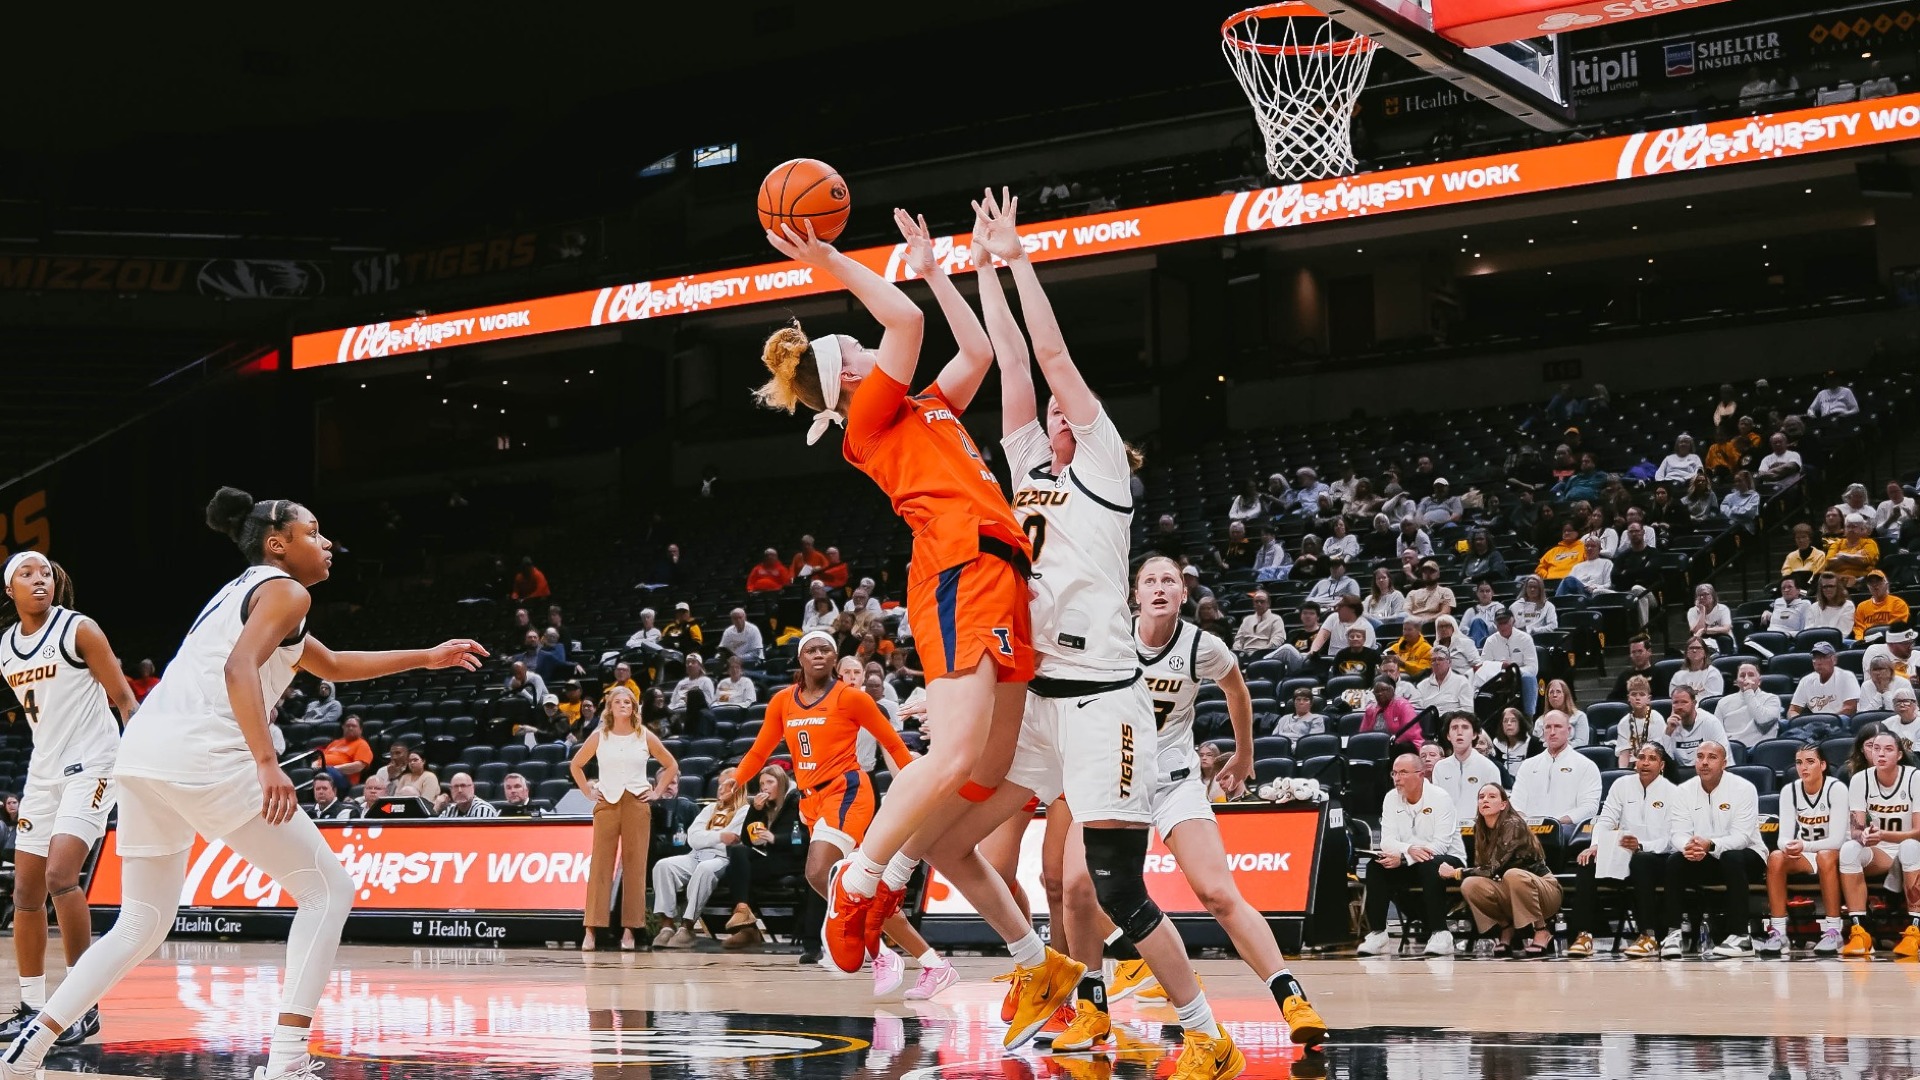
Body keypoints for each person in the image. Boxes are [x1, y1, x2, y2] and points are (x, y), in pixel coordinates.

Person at [922, 194, 1261, 1063]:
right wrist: (973, 270)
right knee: (947, 846)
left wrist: (1021, 259)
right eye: (1053, 415)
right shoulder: (1031, 461)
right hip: (1038, 703)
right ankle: (1042, 971)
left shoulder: (1104, 467)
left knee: (1110, 881)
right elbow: (1011, 369)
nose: (1055, 415)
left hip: (1106, 705)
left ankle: (1206, 1035)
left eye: (1070, 410)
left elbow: (1050, 353)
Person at [0, 489, 487, 1080]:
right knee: (328, 891)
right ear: (278, 543)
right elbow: (239, 669)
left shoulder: (241, 591)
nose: (327, 542)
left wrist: (427, 657)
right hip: (206, 756)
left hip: (143, 756)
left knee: (141, 921)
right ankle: (285, 1058)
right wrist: (266, 760)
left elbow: (329, 664)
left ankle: (32, 1041)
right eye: (314, 531)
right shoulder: (287, 590)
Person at [758, 199, 1049, 1031]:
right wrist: (828, 260)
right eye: (853, 342)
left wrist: (931, 270)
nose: (865, 340)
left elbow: (978, 350)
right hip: (957, 565)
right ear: (848, 372)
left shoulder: (924, 409)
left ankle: (1021, 956)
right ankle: (861, 878)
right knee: (954, 749)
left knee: (982, 770)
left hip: (998, 568)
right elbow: (904, 322)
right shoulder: (868, 417)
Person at [1104, 557, 1326, 1048]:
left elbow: (1238, 692)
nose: (1160, 588)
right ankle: (1117, 969)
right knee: (1071, 885)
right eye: (1149, 581)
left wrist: (1244, 755)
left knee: (1219, 895)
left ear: (1184, 594)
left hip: (1174, 780)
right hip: (1115, 780)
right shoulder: (1111, 636)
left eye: (1170, 581)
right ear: (1133, 595)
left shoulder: (1204, 646)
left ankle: (1291, 995)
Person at [731, 632, 943, 996]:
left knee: (819, 871)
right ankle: (931, 964)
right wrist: (735, 779)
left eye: (825, 649)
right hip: (810, 801)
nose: (818, 654)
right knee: (857, 888)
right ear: (800, 658)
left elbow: (892, 742)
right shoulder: (783, 701)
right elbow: (759, 750)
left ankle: (875, 953)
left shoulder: (852, 698)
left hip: (847, 791)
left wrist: (918, 787)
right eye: (811, 649)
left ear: (834, 658)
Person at [0, 554, 140, 1046]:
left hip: (94, 764)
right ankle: (32, 1006)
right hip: (43, 771)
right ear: (9, 590)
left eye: (47, 574)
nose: (40, 580)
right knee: (25, 894)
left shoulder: (78, 629)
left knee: (62, 877)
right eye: (27, 574)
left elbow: (124, 697)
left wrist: (139, 760)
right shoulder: (5, 647)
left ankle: (82, 1005)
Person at [569, 685, 678, 953]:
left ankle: (630, 930)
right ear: (610, 707)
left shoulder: (644, 736)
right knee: (600, 867)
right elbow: (576, 765)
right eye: (617, 701)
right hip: (607, 802)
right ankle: (591, 930)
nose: (622, 705)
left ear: (634, 707)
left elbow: (671, 764)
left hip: (636, 803)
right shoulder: (599, 735)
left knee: (635, 867)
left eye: (627, 702)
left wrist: (657, 792)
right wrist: (587, 790)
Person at [1567, 744, 1676, 959]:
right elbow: (1605, 820)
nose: (1644, 762)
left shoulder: (1674, 793)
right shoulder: (1621, 785)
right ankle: (1584, 935)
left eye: (1652, 758)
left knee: (1641, 861)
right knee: (1587, 862)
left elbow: (1673, 838)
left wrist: (1642, 846)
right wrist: (1597, 845)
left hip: (1658, 857)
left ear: (1661, 765)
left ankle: (1649, 936)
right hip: (1623, 854)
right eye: (1641, 757)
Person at [1663, 740, 1766, 959]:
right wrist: (1688, 847)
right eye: (1700, 757)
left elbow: (1742, 837)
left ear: (1724, 763)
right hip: (1705, 857)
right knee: (1674, 861)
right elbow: (1678, 833)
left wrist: (1710, 844)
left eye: (1712, 757)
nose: (1704, 762)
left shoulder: (1744, 788)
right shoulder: (1683, 791)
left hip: (1748, 858)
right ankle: (1673, 933)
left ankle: (1741, 937)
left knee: (1731, 856)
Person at [1357, 754, 1467, 957]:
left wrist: (1406, 856)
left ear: (1420, 774)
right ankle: (1378, 934)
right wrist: (1407, 851)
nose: (1397, 778)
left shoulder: (1440, 798)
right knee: (1376, 866)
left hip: (1448, 860)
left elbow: (1441, 845)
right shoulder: (1391, 798)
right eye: (1394, 773)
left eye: (1403, 773)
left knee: (1429, 865)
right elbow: (1386, 841)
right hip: (1408, 860)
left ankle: (1440, 934)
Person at [1438, 784, 1561, 957]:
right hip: (1509, 890)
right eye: (1481, 797)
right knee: (1470, 885)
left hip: (1544, 892)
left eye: (1492, 796)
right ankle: (1506, 927)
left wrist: (1456, 872)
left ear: (1503, 804)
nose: (1485, 800)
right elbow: (1484, 870)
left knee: (1513, 874)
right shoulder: (1480, 829)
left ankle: (1541, 930)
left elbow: (1492, 868)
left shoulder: (1513, 824)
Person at [1836, 726, 1920, 957]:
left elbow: (1918, 832)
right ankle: (1860, 932)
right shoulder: (1860, 779)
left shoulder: (1915, 778)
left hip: (1912, 846)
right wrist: (1863, 835)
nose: (1881, 754)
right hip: (1880, 851)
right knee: (1850, 849)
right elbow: (1856, 828)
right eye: (1876, 749)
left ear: (1900, 755)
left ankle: (1915, 932)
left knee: (1911, 847)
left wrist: (1884, 835)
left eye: (1888, 749)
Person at [1760, 744, 1848, 956]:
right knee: (1776, 857)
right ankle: (1778, 933)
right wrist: (1788, 847)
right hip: (1806, 853)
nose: (1803, 767)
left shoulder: (1836, 789)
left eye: (1810, 762)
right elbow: (1783, 838)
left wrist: (1804, 846)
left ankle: (1834, 930)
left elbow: (1836, 840)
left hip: (1837, 853)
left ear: (1823, 765)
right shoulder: (1789, 790)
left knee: (1826, 856)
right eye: (1799, 762)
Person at [651, 768, 750, 948]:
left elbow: (733, 840)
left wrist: (709, 838)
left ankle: (687, 927)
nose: (720, 789)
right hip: (695, 855)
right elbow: (692, 838)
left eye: (726, 785)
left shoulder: (745, 811)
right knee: (663, 866)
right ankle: (666, 926)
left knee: (704, 869)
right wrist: (719, 836)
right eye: (719, 785)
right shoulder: (710, 808)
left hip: (722, 859)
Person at [1510, 712, 1602, 824]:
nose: (1552, 732)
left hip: (1568, 833)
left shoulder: (1586, 766)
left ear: (1569, 730)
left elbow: (1589, 807)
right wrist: (1527, 824)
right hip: (1528, 833)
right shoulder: (1527, 765)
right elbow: (1515, 804)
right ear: (1543, 731)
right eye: (1548, 727)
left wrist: (1556, 824)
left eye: (1558, 726)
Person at [1431, 713, 1499, 823]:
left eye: (1465, 727)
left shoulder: (1488, 767)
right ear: (1448, 735)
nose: (1459, 732)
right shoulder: (1440, 767)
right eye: (1454, 728)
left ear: (1474, 734)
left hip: (1479, 832)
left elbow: (1495, 807)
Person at [1480, 608, 1539, 716]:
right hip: (1498, 676)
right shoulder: (1490, 641)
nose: (1502, 626)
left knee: (1529, 678)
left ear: (1513, 621)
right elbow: (1483, 666)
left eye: (1505, 622)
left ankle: (1528, 718)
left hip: (1520, 676)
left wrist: (1512, 670)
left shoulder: (1525, 638)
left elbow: (1532, 668)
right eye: (1499, 623)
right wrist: (1499, 667)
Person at [1659, 687, 1727, 773]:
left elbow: (1722, 757)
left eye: (1684, 702)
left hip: (1708, 773)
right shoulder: (1671, 726)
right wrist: (1668, 733)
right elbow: (1666, 763)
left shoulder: (1710, 722)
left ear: (1694, 703)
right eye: (1676, 702)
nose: (1679, 707)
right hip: (1681, 778)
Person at [1717, 662, 1783, 748]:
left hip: (1760, 750)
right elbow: (1716, 733)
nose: (1746, 678)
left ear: (1759, 681)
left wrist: (1748, 692)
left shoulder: (1772, 699)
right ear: (1736, 682)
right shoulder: (1723, 702)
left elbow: (1763, 721)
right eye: (1742, 675)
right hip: (1732, 749)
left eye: (1751, 675)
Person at [1790, 642, 1861, 718]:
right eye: (1815, 658)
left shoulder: (1847, 676)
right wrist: (1797, 720)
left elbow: (1850, 708)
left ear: (1834, 659)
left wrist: (1826, 720)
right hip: (1815, 723)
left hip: (1839, 721)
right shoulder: (1806, 681)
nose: (1818, 662)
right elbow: (1793, 710)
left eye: (1823, 657)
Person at [1614, 675, 1665, 768]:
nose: (1637, 698)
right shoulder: (1624, 722)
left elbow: (1657, 751)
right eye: (1634, 694)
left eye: (1642, 694)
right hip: (1632, 766)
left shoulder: (1657, 718)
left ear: (1648, 699)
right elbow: (1624, 754)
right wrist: (1622, 773)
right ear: (1628, 698)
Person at [1360, 677, 1422, 748]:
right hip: (1376, 746)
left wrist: (1389, 744)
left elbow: (1409, 734)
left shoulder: (1403, 706)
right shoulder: (1370, 709)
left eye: (1384, 689)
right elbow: (1363, 734)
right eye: (1376, 691)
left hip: (1402, 746)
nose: (1380, 693)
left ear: (1393, 690)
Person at [1413, 649, 1474, 720]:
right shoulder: (1421, 685)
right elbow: (1417, 710)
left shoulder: (1462, 682)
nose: (1437, 663)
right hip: (1429, 722)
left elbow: (1468, 710)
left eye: (1440, 659)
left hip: (1453, 722)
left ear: (1449, 662)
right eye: (1433, 660)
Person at [313, 714, 372, 783]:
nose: (350, 728)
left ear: (360, 730)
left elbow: (358, 766)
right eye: (348, 726)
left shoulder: (362, 744)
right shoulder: (335, 742)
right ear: (343, 727)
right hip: (322, 772)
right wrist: (314, 765)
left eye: (354, 726)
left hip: (344, 779)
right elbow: (320, 759)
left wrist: (332, 769)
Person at [1230, 590, 1285, 664]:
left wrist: (1260, 652)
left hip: (1265, 653)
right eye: (1256, 601)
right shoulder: (1247, 619)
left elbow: (1277, 640)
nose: (1259, 604)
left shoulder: (1276, 619)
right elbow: (1239, 640)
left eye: (1262, 601)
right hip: (1244, 653)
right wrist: (1238, 651)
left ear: (1268, 604)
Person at [1854, 570, 1909, 642]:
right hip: (1867, 642)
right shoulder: (1861, 607)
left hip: (1891, 641)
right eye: (1871, 582)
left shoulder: (1898, 604)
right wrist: (1861, 640)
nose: (1875, 585)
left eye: (1878, 581)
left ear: (1886, 584)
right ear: (1868, 586)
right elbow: (1859, 629)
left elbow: (1897, 628)